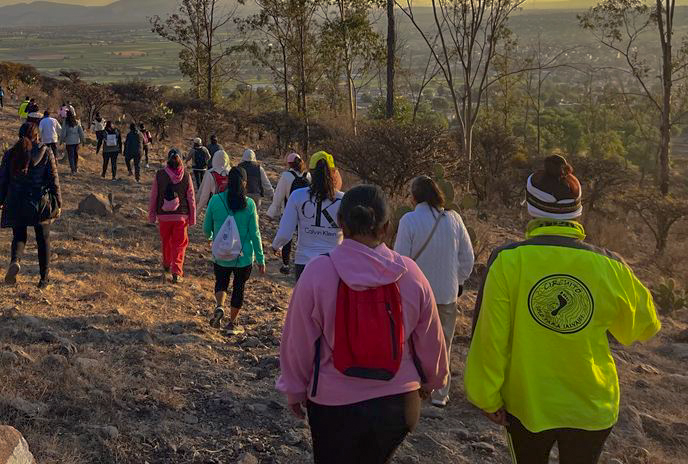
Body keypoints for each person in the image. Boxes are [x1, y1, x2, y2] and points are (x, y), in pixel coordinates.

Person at [466, 155, 661, 464]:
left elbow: (490, 338)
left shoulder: (507, 261)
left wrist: (486, 395)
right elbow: (644, 326)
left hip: (527, 404)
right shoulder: (609, 265)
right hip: (592, 405)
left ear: (530, 207)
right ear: (578, 210)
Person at [277, 184, 449, 464]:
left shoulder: (318, 273)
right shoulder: (410, 274)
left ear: (340, 223)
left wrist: (295, 389)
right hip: (399, 405)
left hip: (334, 406)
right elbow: (432, 339)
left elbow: (297, 341)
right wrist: (434, 380)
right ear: (386, 228)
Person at [394, 175, 475, 408]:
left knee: (411, 342)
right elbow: (467, 258)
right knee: (444, 345)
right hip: (446, 295)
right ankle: (440, 395)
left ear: (415, 196)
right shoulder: (455, 219)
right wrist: (457, 281)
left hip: (415, 297)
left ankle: (413, 388)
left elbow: (402, 261)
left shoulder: (409, 221)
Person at [0, 122, 61, 289]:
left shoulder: (10, 154)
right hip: (39, 203)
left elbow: (3, 179)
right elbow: (54, 180)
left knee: (19, 236)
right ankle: (44, 279)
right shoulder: (46, 152)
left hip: (16, 201)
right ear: (37, 136)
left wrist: (1, 199)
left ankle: (15, 261)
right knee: (43, 239)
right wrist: (58, 203)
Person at [202, 165, 266, 334]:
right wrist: (260, 258)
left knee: (221, 282)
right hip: (243, 257)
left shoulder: (215, 200)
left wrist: (211, 238)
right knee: (239, 288)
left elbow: (206, 228)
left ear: (228, 181)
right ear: (244, 183)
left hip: (221, 254)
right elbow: (255, 233)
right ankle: (232, 323)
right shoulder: (250, 204)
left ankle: (219, 306)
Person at [272, 151, 344, 280]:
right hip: (335, 264)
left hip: (305, 262)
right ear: (334, 173)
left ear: (311, 172)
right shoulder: (344, 199)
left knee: (305, 300)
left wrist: (276, 245)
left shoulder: (298, 196)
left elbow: (286, 231)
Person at [148, 148, 197, 283]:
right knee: (179, 244)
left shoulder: (160, 175)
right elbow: (191, 198)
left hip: (163, 216)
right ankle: (177, 272)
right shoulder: (186, 175)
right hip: (181, 216)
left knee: (166, 242)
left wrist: (152, 215)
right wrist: (192, 218)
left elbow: (154, 196)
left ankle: (166, 265)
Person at [267, 153, 311, 275]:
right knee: (303, 238)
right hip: (306, 212)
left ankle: (286, 265)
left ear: (289, 164)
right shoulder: (308, 175)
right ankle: (304, 263)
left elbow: (279, 196)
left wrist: (271, 213)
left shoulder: (286, 176)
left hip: (289, 211)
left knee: (288, 237)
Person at [60, 111, 85, 175]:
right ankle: (76, 168)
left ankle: (73, 170)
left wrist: (61, 140)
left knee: (70, 156)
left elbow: (63, 132)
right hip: (77, 141)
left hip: (69, 142)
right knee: (75, 155)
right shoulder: (77, 122)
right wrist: (83, 140)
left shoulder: (66, 122)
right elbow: (81, 132)